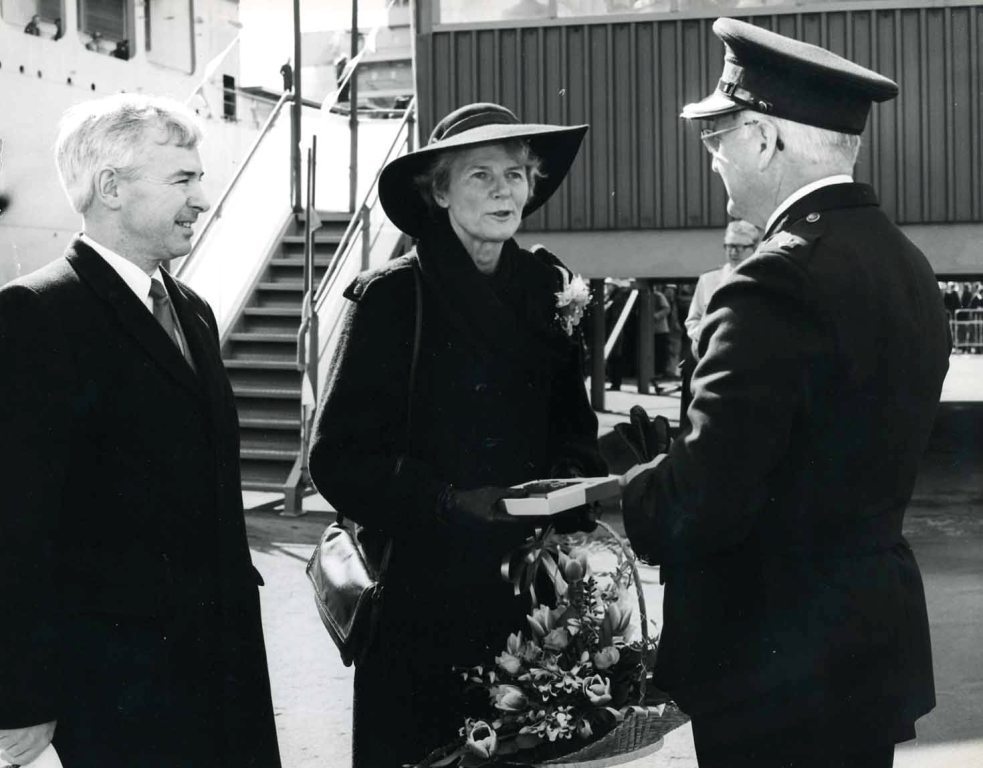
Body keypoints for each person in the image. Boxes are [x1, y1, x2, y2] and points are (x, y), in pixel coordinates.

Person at [620, 18, 949, 768]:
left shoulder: (774, 278)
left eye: (719, 142)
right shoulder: (906, 265)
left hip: (769, 663)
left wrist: (633, 489)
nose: (715, 165)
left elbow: (707, 496)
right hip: (863, 650)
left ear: (764, 141)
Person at [308, 102, 605, 768]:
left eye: (516, 173)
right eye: (479, 175)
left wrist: (578, 485)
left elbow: (572, 428)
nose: (504, 190)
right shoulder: (390, 297)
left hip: (528, 593)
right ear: (437, 191)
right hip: (421, 594)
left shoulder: (550, 287)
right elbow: (337, 460)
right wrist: (445, 501)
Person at [0, 94, 280, 768]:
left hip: (224, 666)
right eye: (182, 179)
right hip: (118, 687)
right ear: (111, 188)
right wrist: (21, 696)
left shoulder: (194, 310)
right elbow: (14, 523)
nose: (202, 198)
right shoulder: (35, 315)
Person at [684, 219, 760, 358]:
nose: (733, 252)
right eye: (729, 246)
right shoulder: (708, 281)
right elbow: (693, 320)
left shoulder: (762, 281)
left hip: (751, 355)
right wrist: (706, 341)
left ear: (754, 248)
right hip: (714, 357)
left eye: (740, 247)